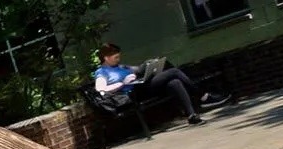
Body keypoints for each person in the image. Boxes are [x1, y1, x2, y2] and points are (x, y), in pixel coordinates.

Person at [94, 44, 228, 124]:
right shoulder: (102, 72)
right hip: (132, 95)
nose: (118, 59)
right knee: (174, 72)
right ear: (106, 57)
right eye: (116, 57)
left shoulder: (121, 66)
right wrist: (122, 83)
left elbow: (138, 70)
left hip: (141, 86)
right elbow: (101, 90)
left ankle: (192, 115)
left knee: (174, 82)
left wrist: (149, 65)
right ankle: (203, 97)